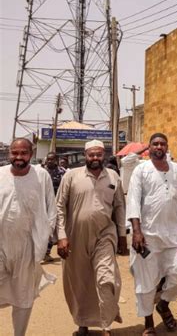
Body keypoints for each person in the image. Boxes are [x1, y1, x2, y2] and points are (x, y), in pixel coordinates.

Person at [127, 133, 177, 335]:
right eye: (155, 143)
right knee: (146, 282)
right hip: (147, 236)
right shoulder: (141, 171)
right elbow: (133, 200)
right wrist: (137, 232)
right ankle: (148, 322)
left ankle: (163, 305)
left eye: (162, 143)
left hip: (173, 234)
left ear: (167, 147)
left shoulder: (176, 169)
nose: (159, 146)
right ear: (149, 148)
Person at [56, 139, 127, 336]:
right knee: (80, 282)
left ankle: (106, 325)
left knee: (106, 279)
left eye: (98, 155)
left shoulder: (113, 176)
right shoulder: (71, 176)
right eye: (91, 155)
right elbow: (59, 207)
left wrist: (122, 235)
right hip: (75, 237)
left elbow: (120, 206)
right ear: (85, 156)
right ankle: (83, 323)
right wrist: (61, 236)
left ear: (103, 155)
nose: (95, 158)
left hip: (105, 235)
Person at [0, 138, 57, 336]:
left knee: (23, 295)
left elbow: (52, 207)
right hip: (0, 245)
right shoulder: (0, 175)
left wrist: (45, 237)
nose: (18, 157)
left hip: (28, 248)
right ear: (9, 153)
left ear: (30, 154)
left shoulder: (41, 176)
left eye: (23, 153)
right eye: (15, 153)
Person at [43, 151, 66, 263]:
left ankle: (46, 252)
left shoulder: (62, 172)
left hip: (57, 204)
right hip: (43, 204)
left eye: (52, 159)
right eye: (48, 159)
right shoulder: (41, 172)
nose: (50, 161)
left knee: (53, 228)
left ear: (56, 160)